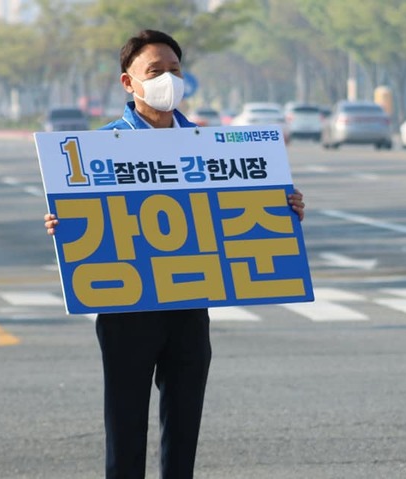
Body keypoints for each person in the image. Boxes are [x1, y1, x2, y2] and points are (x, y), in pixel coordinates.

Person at [43, 29, 305, 479]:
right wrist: (61, 225)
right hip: (127, 309)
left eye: (175, 70)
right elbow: (80, 216)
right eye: (156, 71)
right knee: (125, 427)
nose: (169, 79)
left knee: (184, 426)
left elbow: (240, 214)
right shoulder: (99, 148)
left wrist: (283, 208)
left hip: (189, 304)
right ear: (129, 83)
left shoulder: (209, 146)